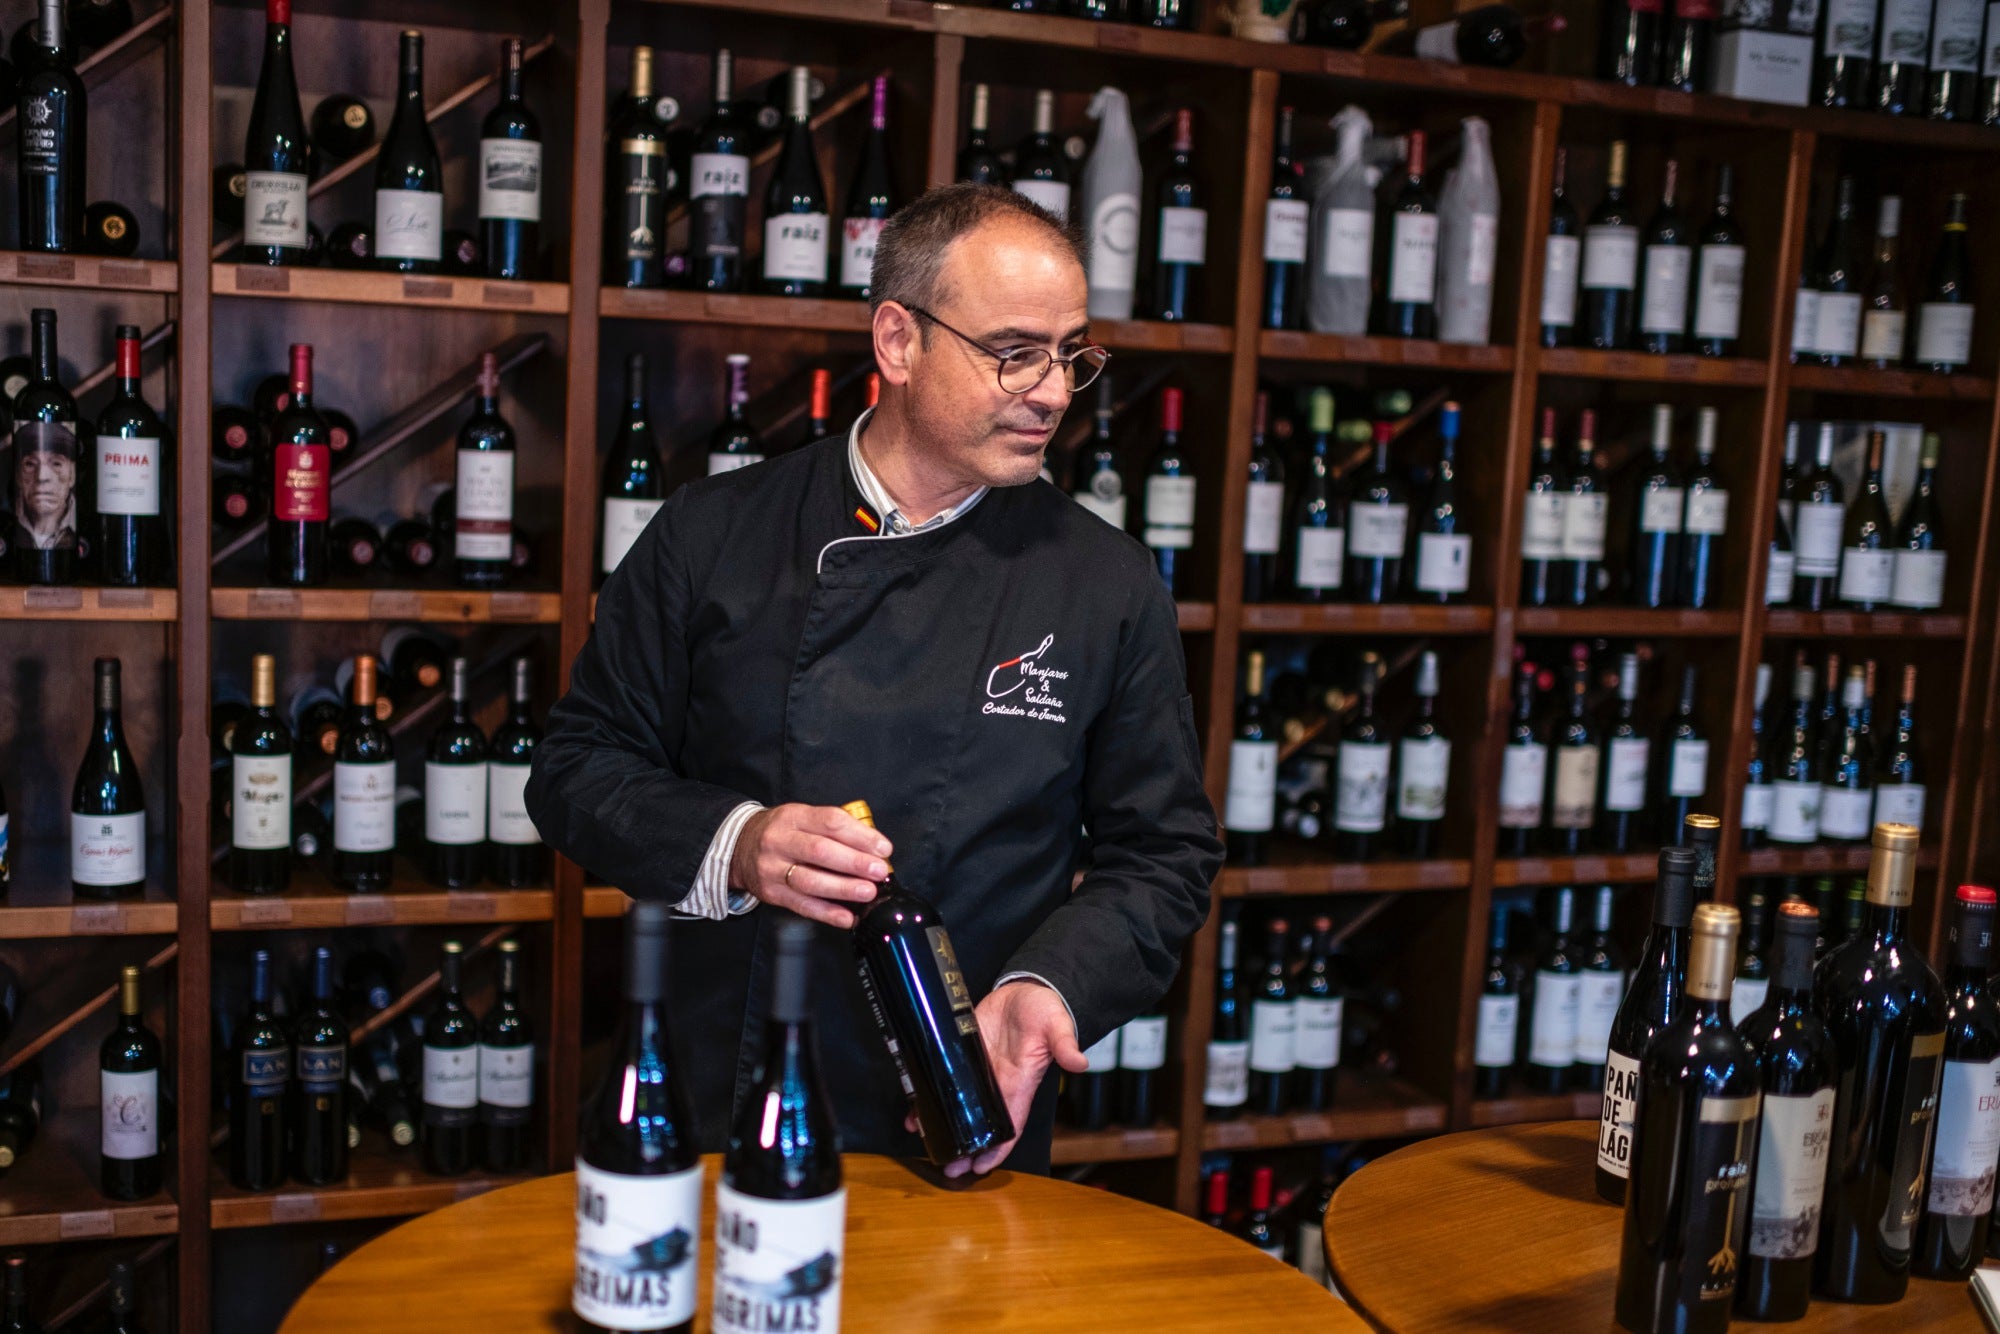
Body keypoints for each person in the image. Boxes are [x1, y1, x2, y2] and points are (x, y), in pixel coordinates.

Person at [526, 183, 1219, 1175]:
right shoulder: (709, 533)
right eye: (1014, 353)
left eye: (1071, 354)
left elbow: (1164, 854)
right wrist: (740, 842)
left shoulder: (1105, 583)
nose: (1057, 391)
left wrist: (1050, 985)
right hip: (722, 1089)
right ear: (897, 341)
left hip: (961, 1106)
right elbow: (574, 770)